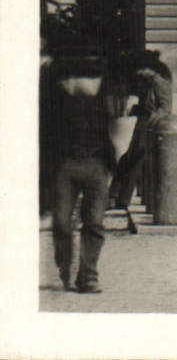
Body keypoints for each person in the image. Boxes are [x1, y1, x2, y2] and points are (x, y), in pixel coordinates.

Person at [42, 50, 120, 293]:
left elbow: (115, 127)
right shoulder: (56, 99)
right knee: (63, 223)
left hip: (97, 164)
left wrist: (111, 165)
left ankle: (88, 276)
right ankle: (65, 266)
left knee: (94, 223)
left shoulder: (103, 96)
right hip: (66, 164)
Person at [109, 50, 173, 231]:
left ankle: (121, 199)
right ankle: (115, 196)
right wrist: (136, 109)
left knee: (136, 162)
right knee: (128, 159)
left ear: (150, 68)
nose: (138, 72)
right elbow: (147, 106)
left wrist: (150, 122)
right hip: (142, 125)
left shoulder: (161, 84)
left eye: (141, 69)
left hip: (150, 128)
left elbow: (165, 109)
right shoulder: (148, 83)